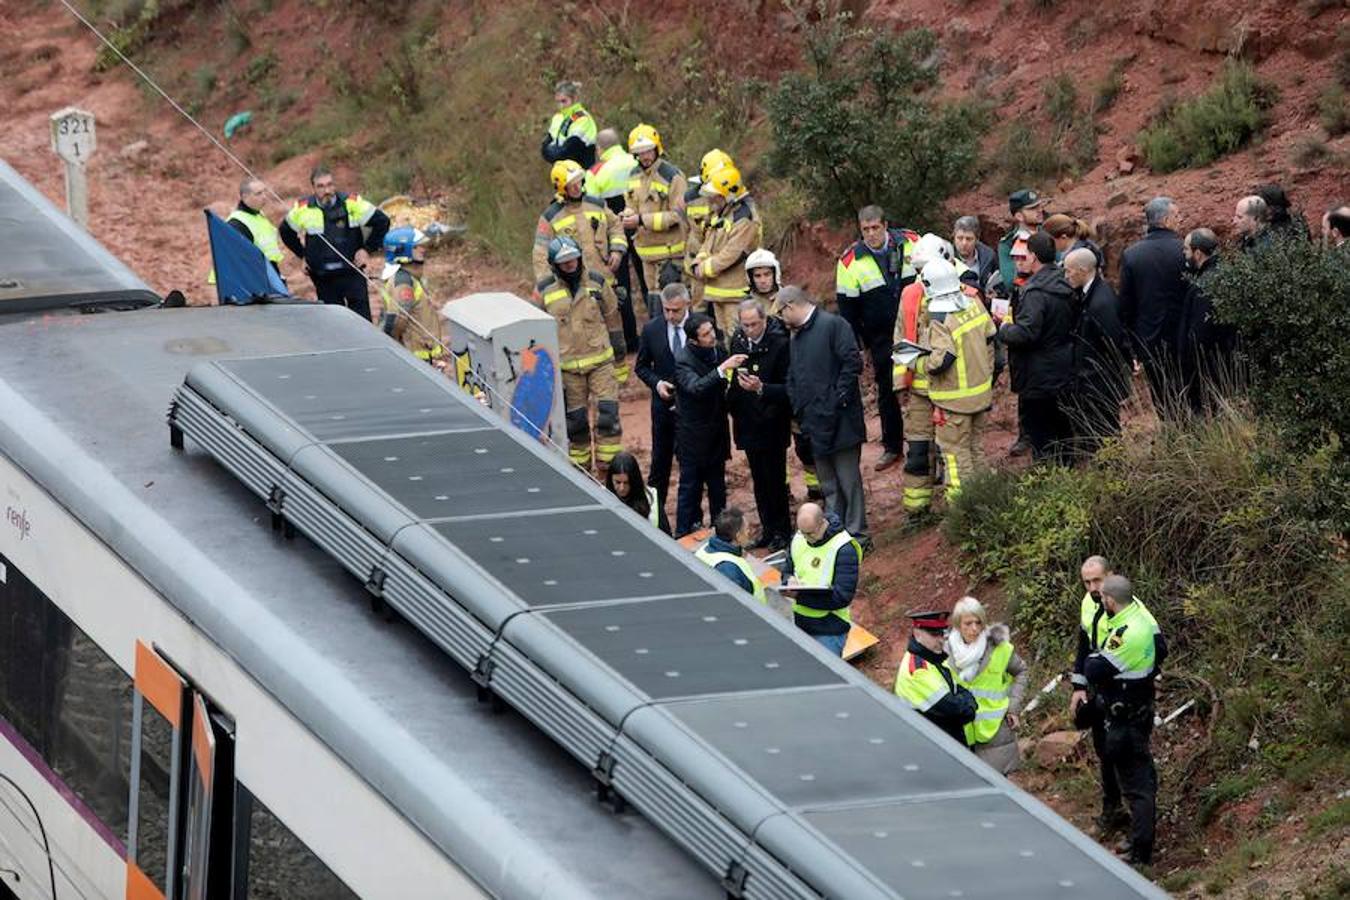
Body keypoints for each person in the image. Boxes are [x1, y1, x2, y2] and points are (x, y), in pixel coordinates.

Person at [1083, 573, 1166, 866]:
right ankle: (1137, 840)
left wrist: (1095, 660)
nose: (1099, 599)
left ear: (1110, 600)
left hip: (1126, 716)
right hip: (1137, 707)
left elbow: (1094, 669)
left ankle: (1141, 852)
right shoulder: (1140, 616)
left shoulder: (1127, 632)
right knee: (1139, 779)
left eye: (1102, 596)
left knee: (1136, 786)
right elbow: (1162, 649)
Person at [780, 286, 870, 548]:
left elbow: (852, 363)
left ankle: (858, 536)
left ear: (791, 306)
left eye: (782, 313)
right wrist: (798, 403)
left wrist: (836, 400)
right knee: (829, 484)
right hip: (814, 422)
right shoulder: (796, 336)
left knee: (848, 481)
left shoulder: (834, 325)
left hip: (841, 420)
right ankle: (835, 533)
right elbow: (795, 375)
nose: (782, 320)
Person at [532, 236, 626, 474]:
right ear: (555, 265)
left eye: (573, 260)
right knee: (576, 425)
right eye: (565, 263)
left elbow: (613, 318)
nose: (571, 265)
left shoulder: (596, 282)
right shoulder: (544, 290)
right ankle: (580, 473)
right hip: (568, 371)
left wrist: (621, 360)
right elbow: (533, 331)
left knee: (608, 417)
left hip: (601, 363)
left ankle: (610, 472)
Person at [835, 206, 915, 471]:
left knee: (922, 387)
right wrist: (860, 347)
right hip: (880, 338)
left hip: (917, 330)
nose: (871, 234)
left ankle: (924, 446)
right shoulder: (850, 262)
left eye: (875, 228)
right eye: (865, 230)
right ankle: (892, 446)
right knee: (887, 389)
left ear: (886, 225)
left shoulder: (912, 242)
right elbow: (847, 312)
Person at [999, 232, 1077, 463]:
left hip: (1038, 373)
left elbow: (1026, 333)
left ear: (1033, 256)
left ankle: (1046, 483)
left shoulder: (1035, 292)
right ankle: (1067, 475)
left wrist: (1004, 328)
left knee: (1041, 434)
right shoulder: (1066, 281)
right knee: (1063, 430)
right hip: (1064, 366)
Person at [922, 258, 996, 500]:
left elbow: (942, 359)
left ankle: (962, 509)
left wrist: (919, 362)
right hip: (980, 395)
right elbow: (990, 335)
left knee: (955, 456)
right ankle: (985, 500)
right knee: (976, 450)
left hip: (954, 402)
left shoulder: (940, 316)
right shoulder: (974, 303)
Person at [755, 252, 824, 504]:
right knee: (775, 444)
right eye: (757, 275)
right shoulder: (745, 305)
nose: (763, 280)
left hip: (791, 380)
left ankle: (815, 487)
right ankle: (781, 488)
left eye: (767, 274)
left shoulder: (788, 299)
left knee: (804, 442)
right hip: (767, 384)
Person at [280, 165, 390, 321]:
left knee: (362, 322)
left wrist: (366, 250)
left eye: (330, 184)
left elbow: (382, 222)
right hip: (323, 277)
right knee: (333, 324)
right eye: (321, 186)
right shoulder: (303, 208)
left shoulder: (351, 203)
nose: (327, 190)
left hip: (352, 271)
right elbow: (285, 231)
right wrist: (303, 255)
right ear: (313, 188)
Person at [728, 299, 793, 550]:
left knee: (776, 480)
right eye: (745, 325)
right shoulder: (738, 341)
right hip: (748, 422)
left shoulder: (779, 344)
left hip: (773, 422)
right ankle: (768, 529)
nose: (750, 330)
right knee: (759, 480)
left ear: (764, 320)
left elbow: (789, 388)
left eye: (754, 324)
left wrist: (761, 389)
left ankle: (782, 531)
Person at [673, 314, 744, 537]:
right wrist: (722, 369)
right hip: (693, 438)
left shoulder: (719, 351)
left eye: (711, 329)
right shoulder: (683, 361)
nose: (712, 335)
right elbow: (696, 387)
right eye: (705, 334)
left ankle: (721, 534)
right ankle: (683, 533)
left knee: (718, 489)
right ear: (694, 340)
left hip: (716, 434)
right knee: (690, 489)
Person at [1118, 196, 1187, 416]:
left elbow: (1126, 304)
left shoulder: (1132, 255)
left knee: (1162, 397)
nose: (1180, 220)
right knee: (1191, 395)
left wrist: (1131, 345)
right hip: (1184, 336)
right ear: (1166, 220)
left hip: (1149, 339)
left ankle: (1171, 439)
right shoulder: (1184, 250)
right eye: (1176, 216)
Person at [945, 596, 1028, 773]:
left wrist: (1013, 706)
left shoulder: (999, 648)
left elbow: (1021, 671)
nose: (974, 629)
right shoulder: (945, 652)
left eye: (978, 622)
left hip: (996, 732)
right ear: (958, 625)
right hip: (961, 731)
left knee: (998, 790)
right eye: (968, 624)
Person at [1063, 247, 1128, 454]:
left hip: (1100, 381)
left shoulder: (1100, 303)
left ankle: (1113, 474)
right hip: (1093, 378)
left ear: (1082, 270)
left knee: (1105, 432)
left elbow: (1113, 340)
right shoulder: (1092, 293)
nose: (1066, 276)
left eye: (1069, 271)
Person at [623, 124, 687, 321]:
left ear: (657, 148)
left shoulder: (673, 176)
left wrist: (641, 220)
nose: (645, 157)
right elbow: (631, 204)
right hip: (646, 253)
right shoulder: (633, 176)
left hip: (670, 254)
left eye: (648, 151)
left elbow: (678, 215)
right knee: (654, 306)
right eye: (639, 153)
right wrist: (627, 215)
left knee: (673, 307)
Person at [634, 282, 690, 511]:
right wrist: (657, 384)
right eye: (666, 310)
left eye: (675, 310)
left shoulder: (701, 327)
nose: (670, 315)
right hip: (663, 409)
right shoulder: (652, 329)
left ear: (688, 304)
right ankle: (654, 515)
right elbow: (641, 367)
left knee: (689, 465)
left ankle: (689, 520)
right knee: (660, 464)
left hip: (691, 409)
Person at [691, 165, 762, 340]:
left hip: (735, 293)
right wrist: (698, 261)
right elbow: (708, 242)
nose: (711, 201)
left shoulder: (744, 218)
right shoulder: (722, 214)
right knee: (723, 339)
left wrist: (705, 268)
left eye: (715, 197)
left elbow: (732, 254)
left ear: (727, 197)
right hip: (718, 290)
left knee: (737, 338)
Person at [782, 502, 861, 656]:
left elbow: (842, 597)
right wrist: (788, 580)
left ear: (822, 523)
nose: (806, 538)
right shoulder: (799, 538)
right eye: (802, 532)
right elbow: (787, 570)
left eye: (810, 534)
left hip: (829, 630)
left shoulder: (844, 548)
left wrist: (799, 596)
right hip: (800, 623)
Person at [587, 129, 641, 348]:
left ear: (600, 149)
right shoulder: (635, 161)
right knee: (648, 282)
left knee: (622, 284)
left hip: (613, 232)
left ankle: (630, 339)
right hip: (640, 224)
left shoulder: (595, 172)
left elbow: (592, 210)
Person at [893, 608, 977, 746]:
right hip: (933, 749)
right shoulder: (918, 670)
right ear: (917, 633)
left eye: (942, 633)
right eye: (934, 634)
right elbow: (960, 712)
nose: (941, 639)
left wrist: (965, 699)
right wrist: (970, 702)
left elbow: (959, 690)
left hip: (946, 744)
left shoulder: (933, 659)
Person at [1177, 228, 1237, 415]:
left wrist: (1190, 366)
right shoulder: (1228, 273)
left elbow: (1199, 335)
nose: (1184, 255)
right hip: (1227, 364)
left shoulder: (1203, 285)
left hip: (1209, 369)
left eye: (1186, 250)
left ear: (1198, 253)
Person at [378, 227, 443, 364]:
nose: (422, 249)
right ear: (402, 250)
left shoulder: (409, 277)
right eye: (416, 247)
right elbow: (398, 320)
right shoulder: (403, 282)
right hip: (415, 357)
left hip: (419, 354)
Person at [684, 149, 735, 312]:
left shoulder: (736, 203)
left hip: (724, 269)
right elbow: (692, 233)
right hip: (699, 266)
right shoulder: (693, 199)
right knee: (700, 313)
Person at [208, 178, 285, 286]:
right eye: (258, 194)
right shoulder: (237, 223)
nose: (264, 197)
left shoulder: (259, 216)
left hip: (271, 278)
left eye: (265, 192)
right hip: (257, 284)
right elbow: (228, 259)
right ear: (245, 197)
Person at [694, 507, 764, 601]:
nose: (749, 532)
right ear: (738, 537)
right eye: (747, 529)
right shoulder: (730, 569)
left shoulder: (704, 550)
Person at [606, 451, 669, 534]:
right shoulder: (601, 498)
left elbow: (666, 536)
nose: (622, 488)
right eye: (617, 482)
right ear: (611, 480)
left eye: (626, 483)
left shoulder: (652, 500)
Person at [996, 189, 1045, 292]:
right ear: (1019, 216)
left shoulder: (1049, 235)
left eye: (1039, 206)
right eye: (1032, 208)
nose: (1040, 210)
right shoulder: (1007, 244)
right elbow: (1010, 282)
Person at [540, 80, 597, 168]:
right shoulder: (557, 118)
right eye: (558, 102)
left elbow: (569, 151)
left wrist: (553, 153)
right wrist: (553, 153)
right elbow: (544, 148)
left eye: (564, 101)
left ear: (574, 98)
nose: (560, 106)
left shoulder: (582, 118)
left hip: (581, 173)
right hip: (561, 174)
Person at [952, 215, 997, 289]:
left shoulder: (988, 256)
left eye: (969, 239)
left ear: (977, 239)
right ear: (954, 237)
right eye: (960, 238)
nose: (964, 243)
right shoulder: (947, 257)